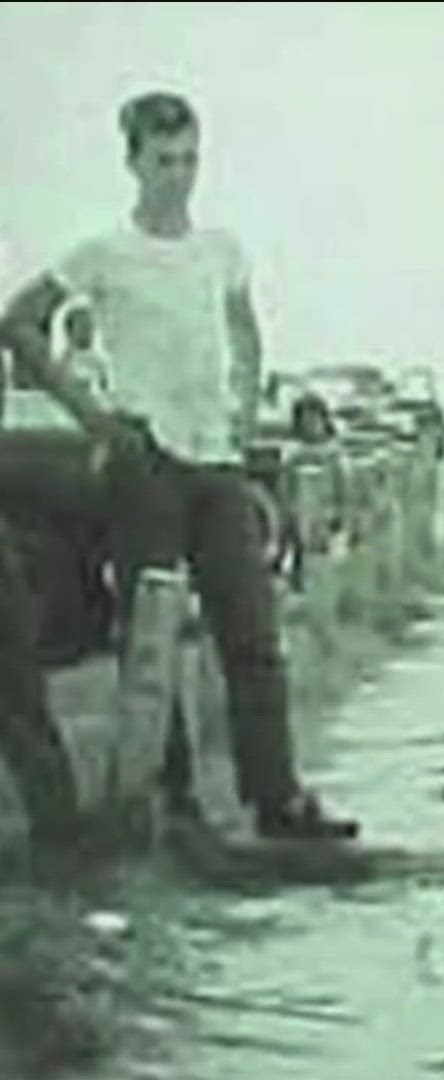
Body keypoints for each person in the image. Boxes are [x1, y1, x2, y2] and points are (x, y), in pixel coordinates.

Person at [0, 90, 359, 842]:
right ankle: (175, 804)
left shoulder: (220, 249)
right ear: (133, 162)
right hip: (147, 464)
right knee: (152, 638)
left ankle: (278, 800)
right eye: (164, 162)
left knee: (253, 636)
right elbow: (19, 323)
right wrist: (93, 419)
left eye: (190, 160)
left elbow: (245, 328)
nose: (179, 176)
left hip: (216, 461)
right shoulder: (104, 252)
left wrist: (244, 402)